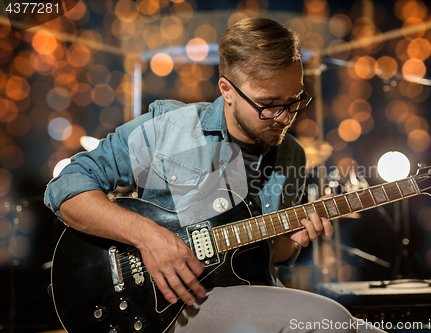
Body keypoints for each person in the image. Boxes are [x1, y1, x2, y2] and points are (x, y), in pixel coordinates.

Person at [45, 17, 384, 333]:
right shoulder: (169, 127)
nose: (284, 117)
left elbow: (268, 258)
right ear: (226, 89)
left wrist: (291, 238)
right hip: (170, 303)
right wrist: (149, 237)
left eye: (295, 101)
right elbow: (65, 189)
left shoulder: (291, 153)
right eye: (268, 104)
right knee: (330, 320)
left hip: (248, 297)